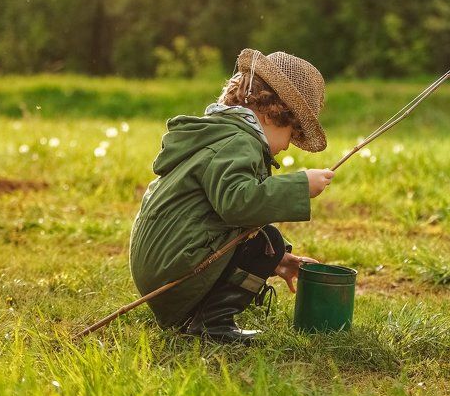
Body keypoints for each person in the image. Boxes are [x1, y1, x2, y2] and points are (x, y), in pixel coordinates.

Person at [128, 49, 335, 344]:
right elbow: (237, 204)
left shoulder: (221, 134)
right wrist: (299, 186)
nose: (289, 146)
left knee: (267, 244)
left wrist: (275, 261)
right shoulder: (239, 143)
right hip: (176, 274)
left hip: (163, 269)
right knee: (266, 241)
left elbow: (215, 216)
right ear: (273, 112)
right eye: (293, 132)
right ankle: (211, 323)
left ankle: (203, 313)